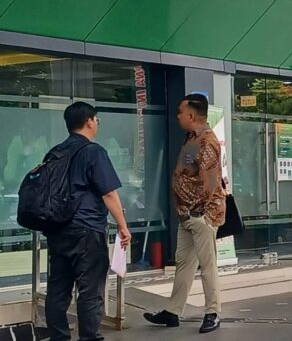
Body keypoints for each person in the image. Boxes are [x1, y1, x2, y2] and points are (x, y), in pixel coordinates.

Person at [45, 102, 131, 341]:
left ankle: (59, 337)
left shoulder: (55, 152)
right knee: (90, 289)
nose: (97, 124)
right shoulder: (94, 152)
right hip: (87, 229)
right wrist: (123, 226)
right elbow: (109, 193)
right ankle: (89, 337)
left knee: (58, 289)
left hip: (57, 229)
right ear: (90, 121)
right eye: (97, 120)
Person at [145, 94, 226, 334]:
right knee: (184, 264)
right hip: (187, 215)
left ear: (191, 115)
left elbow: (209, 184)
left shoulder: (207, 142)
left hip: (201, 216)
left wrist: (194, 211)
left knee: (207, 265)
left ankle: (213, 312)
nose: (178, 115)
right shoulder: (191, 138)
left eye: (181, 111)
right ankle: (173, 311)